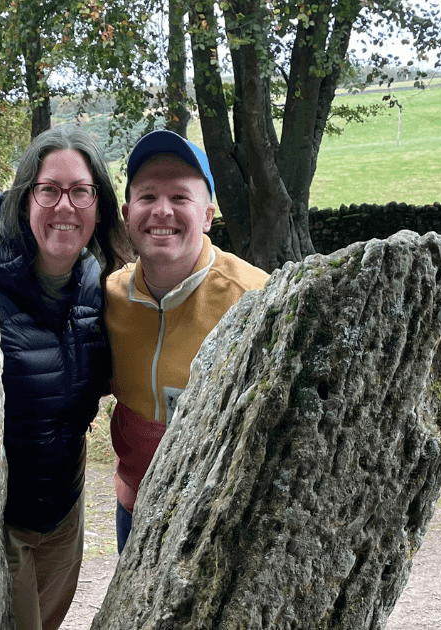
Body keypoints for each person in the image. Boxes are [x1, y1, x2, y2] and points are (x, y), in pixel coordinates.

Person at [0, 126, 127, 630]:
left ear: (98, 205)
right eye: (49, 190)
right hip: (0, 518)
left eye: (80, 191)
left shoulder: (98, 284)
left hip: (63, 507)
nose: (64, 206)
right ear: (25, 197)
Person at [104, 130, 269, 553]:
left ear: (208, 214)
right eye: (147, 197)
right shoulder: (108, 297)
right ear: (127, 213)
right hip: (134, 509)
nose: (162, 211)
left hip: (222, 519)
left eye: (180, 198)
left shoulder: (256, 298)